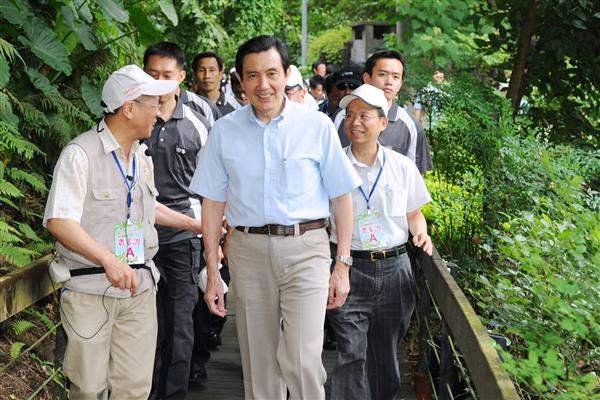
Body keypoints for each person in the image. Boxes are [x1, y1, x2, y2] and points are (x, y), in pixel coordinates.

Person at [189, 35, 361, 400]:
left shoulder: (316, 126)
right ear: (240, 80)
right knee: (260, 365)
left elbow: (342, 198)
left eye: (271, 73)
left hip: (307, 250)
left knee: (301, 360)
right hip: (247, 251)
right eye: (252, 75)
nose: (263, 84)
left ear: (286, 74)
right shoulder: (224, 131)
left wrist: (342, 264)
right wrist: (213, 271)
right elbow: (212, 204)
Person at [44, 65, 204, 400]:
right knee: (89, 388)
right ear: (128, 108)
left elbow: (147, 207)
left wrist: (195, 224)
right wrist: (108, 260)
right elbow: (59, 220)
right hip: (91, 289)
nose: (159, 113)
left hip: (139, 288)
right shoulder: (80, 154)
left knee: (134, 388)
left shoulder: (141, 156)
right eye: (153, 105)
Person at [328, 84, 433, 400]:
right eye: (350, 115)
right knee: (351, 352)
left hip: (394, 268)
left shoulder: (401, 166)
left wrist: (421, 232)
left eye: (364, 116)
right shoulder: (333, 166)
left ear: (383, 122)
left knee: (385, 356)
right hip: (348, 266)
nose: (355, 122)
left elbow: (414, 214)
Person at [142, 42, 210, 400]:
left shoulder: (199, 122)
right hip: (136, 237)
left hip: (184, 236)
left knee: (181, 323)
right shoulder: (131, 115)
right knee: (144, 323)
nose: (159, 81)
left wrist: (214, 244)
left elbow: (214, 187)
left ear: (181, 76)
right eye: (152, 74)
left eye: (167, 75)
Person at [335, 50, 434, 174]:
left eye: (396, 77)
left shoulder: (411, 125)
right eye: (382, 74)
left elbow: (416, 176)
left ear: (400, 84)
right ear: (367, 78)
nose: (389, 82)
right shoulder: (341, 118)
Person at [192, 51, 241, 116]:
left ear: (220, 74)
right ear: (194, 75)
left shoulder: (238, 107)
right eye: (201, 70)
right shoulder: (187, 106)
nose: (207, 75)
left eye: (212, 70)